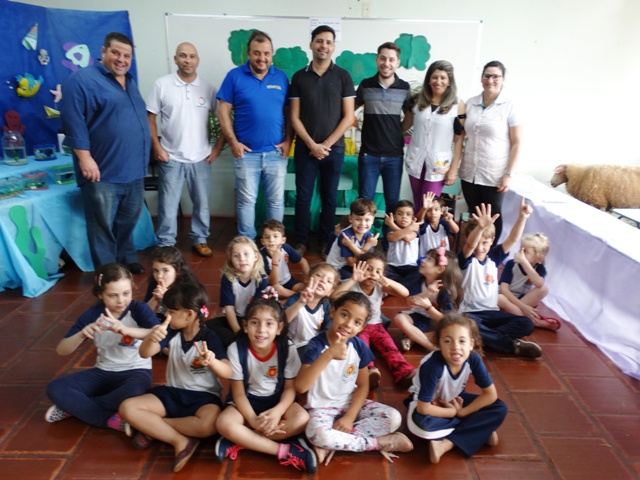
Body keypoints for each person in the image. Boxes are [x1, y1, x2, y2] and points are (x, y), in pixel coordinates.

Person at [61, 32, 150, 274]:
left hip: (134, 169)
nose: (121, 59)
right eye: (116, 53)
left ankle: (126, 257)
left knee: (128, 220)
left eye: (127, 55)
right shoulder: (81, 81)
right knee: (102, 226)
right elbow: (73, 123)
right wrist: (85, 158)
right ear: (103, 51)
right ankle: (109, 271)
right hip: (103, 172)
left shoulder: (129, 81)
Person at [119, 282, 232, 473]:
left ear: (189, 314)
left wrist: (213, 361)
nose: (166, 315)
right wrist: (152, 338)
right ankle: (180, 440)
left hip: (203, 397)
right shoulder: (170, 332)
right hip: (171, 393)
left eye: (171, 311)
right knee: (127, 407)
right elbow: (145, 353)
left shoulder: (210, 337)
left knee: (211, 423)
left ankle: (153, 429)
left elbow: (228, 371)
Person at [295, 291, 413, 466]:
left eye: (357, 322)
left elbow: (363, 386)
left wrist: (349, 417)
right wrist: (328, 354)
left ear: (361, 327)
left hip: (350, 403)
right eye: (344, 315)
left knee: (394, 417)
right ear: (333, 312)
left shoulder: (359, 347)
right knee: (317, 433)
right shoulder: (316, 345)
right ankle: (377, 443)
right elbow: (301, 387)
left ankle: (335, 442)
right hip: (321, 407)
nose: (348, 324)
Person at [45, 263, 159, 432]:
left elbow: (157, 332)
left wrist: (127, 330)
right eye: (113, 295)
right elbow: (62, 350)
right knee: (56, 388)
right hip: (103, 372)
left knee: (136, 391)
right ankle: (109, 419)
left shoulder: (138, 309)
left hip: (136, 371)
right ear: (100, 294)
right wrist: (82, 334)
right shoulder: (93, 314)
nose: (121, 300)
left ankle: (75, 408)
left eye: (126, 293)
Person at [215, 296, 317, 473]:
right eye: (255, 323)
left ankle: (244, 440)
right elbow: (238, 394)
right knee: (224, 423)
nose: (261, 330)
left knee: (302, 419)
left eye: (269, 324)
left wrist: (277, 412)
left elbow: (289, 389)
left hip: (277, 402)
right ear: (245, 326)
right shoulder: (236, 349)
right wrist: (253, 421)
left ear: (279, 328)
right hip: (245, 402)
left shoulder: (287, 348)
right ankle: (285, 450)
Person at [146, 42, 223, 257]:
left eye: (192, 56)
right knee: (168, 205)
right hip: (170, 156)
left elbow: (224, 119)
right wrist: (157, 146)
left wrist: (216, 149)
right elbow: (150, 117)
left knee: (201, 203)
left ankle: (200, 238)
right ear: (175, 59)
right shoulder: (162, 85)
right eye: (183, 56)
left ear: (198, 60)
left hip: (201, 157)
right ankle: (166, 244)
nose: (187, 60)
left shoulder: (208, 88)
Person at [217, 30, 291, 240]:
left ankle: (274, 243)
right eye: (257, 53)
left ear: (272, 54)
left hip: (276, 153)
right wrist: (233, 142)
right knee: (246, 202)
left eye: (266, 53)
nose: (262, 58)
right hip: (246, 154)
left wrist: (288, 141)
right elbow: (222, 111)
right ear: (248, 54)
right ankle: (247, 244)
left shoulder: (281, 77)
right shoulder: (234, 76)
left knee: (276, 201)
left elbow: (289, 112)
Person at [405, 313, 507, 464]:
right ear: (439, 344)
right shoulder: (433, 366)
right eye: (447, 341)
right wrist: (453, 412)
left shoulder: (473, 358)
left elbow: (490, 395)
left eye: (462, 341)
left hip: (455, 400)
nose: (455, 347)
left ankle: (445, 445)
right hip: (428, 404)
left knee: (499, 408)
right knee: (423, 427)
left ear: (471, 344)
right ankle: (480, 429)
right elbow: (423, 408)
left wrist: (462, 411)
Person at [289, 25, 356, 255]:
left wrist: (325, 145)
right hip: (305, 149)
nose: (323, 46)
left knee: (329, 197)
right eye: (319, 41)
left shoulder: (343, 76)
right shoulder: (299, 76)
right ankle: (301, 240)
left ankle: (326, 241)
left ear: (333, 46)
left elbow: (349, 117)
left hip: (333, 150)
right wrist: (311, 144)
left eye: (328, 42)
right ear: (311, 44)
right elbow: (294, 117)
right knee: (303, 197)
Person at [448, 60, 523, 242]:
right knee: (475, 215)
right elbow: (461, 136)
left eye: (495, 76)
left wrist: (509, 174)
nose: (491, 80)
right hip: (470, 172)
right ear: (482, 78)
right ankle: (473, 253)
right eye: (487, 76)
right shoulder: (471, 103)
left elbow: (517, 143)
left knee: (492, 216)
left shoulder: (510, 106)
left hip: (494, 174)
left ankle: (489, 257)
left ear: (503, 79)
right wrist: (454, 166)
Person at [459, 201, 541, 358]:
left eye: (485, 243)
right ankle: (510, 345)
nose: (479, 248)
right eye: (477, 241)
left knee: (526, 323)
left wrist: (522, 217)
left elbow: (513, 238)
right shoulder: (466, 259)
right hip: (469, 314)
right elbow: (470, 246)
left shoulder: (494, 257)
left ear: (492, 241)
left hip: (491, 313)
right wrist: (481, 228)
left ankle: (484, 339)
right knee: (468, 325)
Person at [332, 253, 413, 388]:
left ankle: (404, 372)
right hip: (359, 328)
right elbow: (334, 296)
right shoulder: (353, 286)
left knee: (390, 348)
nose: (372, 274)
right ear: (359, 268)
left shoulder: (380, 287)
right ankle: (369, 373)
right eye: (368, 269)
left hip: (377, 326)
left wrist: (385, 279)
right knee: (363, 348)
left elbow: (405, 293)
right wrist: (353, 278)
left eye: (378, 271)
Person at [355, 42, 412, 213]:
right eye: (383, 58)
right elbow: (350, 110)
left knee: (392, 203)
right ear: (377, 60)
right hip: (368, 154)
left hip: (394, 155)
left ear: (397, 63)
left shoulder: (404, 87)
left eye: (391, 60)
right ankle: (363, 238)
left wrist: (396, 131)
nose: (386, 63)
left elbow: (410, 115)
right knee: (364, 202)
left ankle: (389, 239)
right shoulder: (365, 85)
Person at [404, 60, 465, 206]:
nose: (438, 81)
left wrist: (453, 170)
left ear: (449, 81)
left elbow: (459, 140)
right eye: (434, 77)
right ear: (428, 81)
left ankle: (425, 229)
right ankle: (417, 230)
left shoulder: (457, 105)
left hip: (439, 163)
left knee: (429, 206)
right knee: (418, 203)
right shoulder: (416, 102)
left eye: (443, 78)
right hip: (415, 159)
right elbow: (404, 126)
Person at [394, 247, 464, 352]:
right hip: (418, 317)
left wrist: (428, 307)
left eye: (429, 259)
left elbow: (447, 321)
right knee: (399, 318)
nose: (422, 260)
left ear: (440, 269)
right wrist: (427, 293)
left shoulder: (446, 290)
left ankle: (412, 337)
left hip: (436, 322)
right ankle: (430, 347)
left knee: (448, 332)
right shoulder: (420, 280)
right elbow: (409, 303)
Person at [204, 236, 269, 346]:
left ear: (256, 257)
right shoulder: (228, 278)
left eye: (246, 254)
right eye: (236, 255)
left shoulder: (261, 279)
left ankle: (236, 343)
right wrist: (238, 332)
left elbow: (256, 309)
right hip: (235, 317)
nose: (242, 259)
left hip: (252, 318)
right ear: (230, 260)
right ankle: (237, 342)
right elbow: (229, 309)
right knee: (206, 326)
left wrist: (248, 330)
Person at [499, 233, 559, 330]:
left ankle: (519, 316)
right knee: (500, 298)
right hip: (508, 300)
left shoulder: (539, 268)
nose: (520, 253)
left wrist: (524, 262)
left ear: (538, 258)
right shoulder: (511, 264)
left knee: (543, 289)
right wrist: (523, 307)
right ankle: (534, 322)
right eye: (520, 249)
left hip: (522, 301)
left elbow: (539, 283)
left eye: (525, 252)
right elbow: (503, 290)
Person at [285, 263, 340, 358]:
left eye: (329, 281)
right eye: (319, 275)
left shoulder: (325, 305)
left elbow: (326, 330)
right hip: (291, 344)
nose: (322, 280)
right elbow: (283, 320)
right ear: (307, 279)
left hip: (312, 345)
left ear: (330, 292)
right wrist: (300, 303)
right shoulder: (296, 299)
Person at [326, 198, 379, 279]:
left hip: (353, 266)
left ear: (373, 220)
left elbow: (368, 258)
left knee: (373, 274)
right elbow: (351, 262)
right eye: (358, 219)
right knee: (353, 278)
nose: (363, 224)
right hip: (337, 268)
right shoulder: (345, 236)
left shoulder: (369, 235)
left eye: (367, 220)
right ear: (350, 219)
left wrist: (354, 246)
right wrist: (368, 245)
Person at [260, 219, 310, 298]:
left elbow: (303, 261)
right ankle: (298, 296)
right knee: (277, 288)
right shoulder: (261, 256)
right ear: (262, 241)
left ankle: (292, 297)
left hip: (288, 281)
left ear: (283, 240)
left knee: (304, 287)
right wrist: (275, 261)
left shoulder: (285, 247)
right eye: (267, 237)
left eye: (275, 236)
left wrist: (308, 279)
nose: (271, 240)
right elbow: (273, 282)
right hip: (274, 285)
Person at [144, 246, 199, 317]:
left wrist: (166, 297)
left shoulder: (187, 289)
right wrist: (155, 298)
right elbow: (144, 314)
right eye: (155, 271)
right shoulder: (154, 284)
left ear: (177, 270)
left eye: (165, 270)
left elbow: (181, 319)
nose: (159, 276)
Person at [384, 200, 422, 287]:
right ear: (394, 217)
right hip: (393, 266)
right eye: (400, 214)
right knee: (384, 273)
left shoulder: (415, 229)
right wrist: (392, 226)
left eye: (408, 214)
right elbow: (392, 238)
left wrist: (391, 224)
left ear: (413, 218)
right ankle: (403, 287)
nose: (404, 217)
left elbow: (407, 238)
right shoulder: (390, 230)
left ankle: (398, 287)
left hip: (411, 266)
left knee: (420, 272)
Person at [416, 192, 460, 257]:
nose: (433, 213)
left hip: (442, 259)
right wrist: (424, 208)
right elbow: (419, 219)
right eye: (429, 210)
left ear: (441, 211)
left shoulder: (444, 223)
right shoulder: (424, 224)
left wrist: (450, 220)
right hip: (426, 259)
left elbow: (456, 230)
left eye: (436, 209)